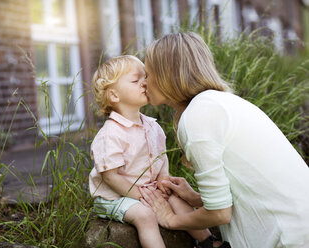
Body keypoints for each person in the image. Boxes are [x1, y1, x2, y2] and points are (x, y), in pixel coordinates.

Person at [139, 32, 309, 248]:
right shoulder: (222, 103)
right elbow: (251, 182)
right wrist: (197, 199)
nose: (144, 82)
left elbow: (219, 214)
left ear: (166, 74)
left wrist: (171, 220)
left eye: (147, 74)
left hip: (289, 239)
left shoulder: (197, 116)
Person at [89, 55, 221, 248]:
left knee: (177, 200)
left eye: (145, 77)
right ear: (114, 96)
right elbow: (110, 177)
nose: (145, 83)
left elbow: (161, 155)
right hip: (115, 197)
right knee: (145, 215)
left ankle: (208, 242)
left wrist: (163, 177)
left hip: (148, 188)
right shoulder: (110, 134)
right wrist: (140, 196)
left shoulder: (152, 126)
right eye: (136, 80)